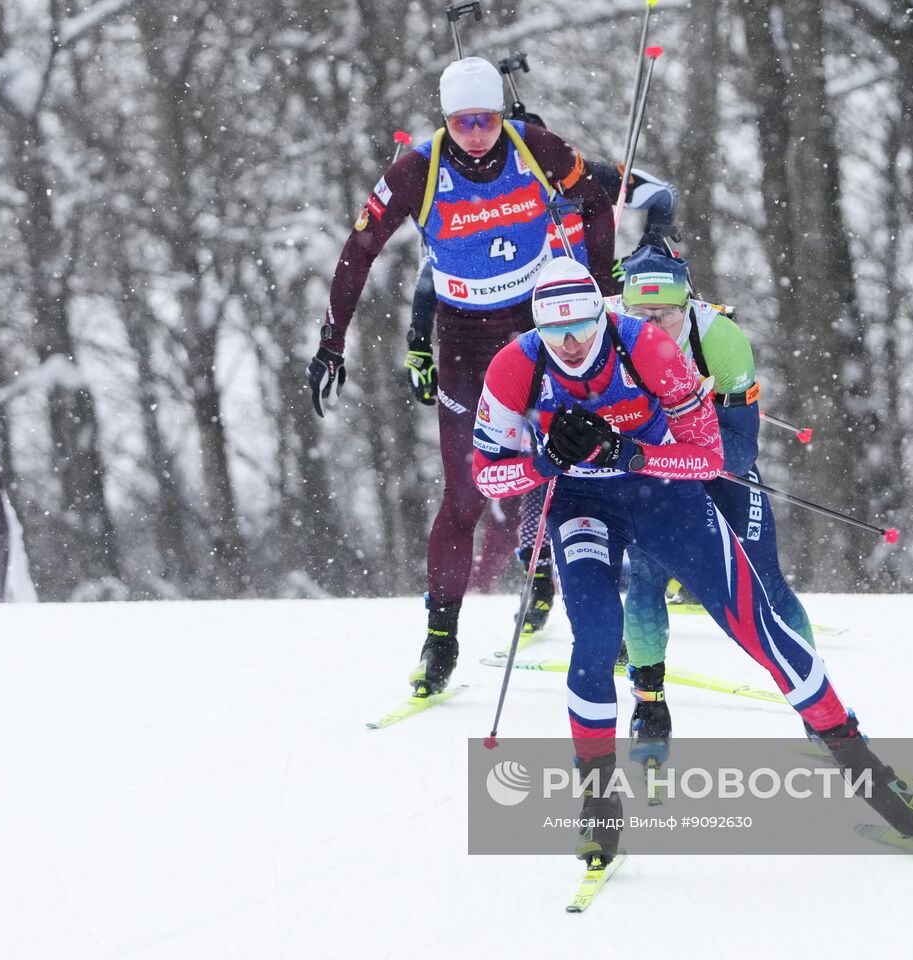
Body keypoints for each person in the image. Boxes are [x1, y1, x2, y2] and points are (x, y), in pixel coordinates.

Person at [471, 257, 913, 868]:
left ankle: (863, 767)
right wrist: (546, 464)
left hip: (665, 496)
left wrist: (631, 452)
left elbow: (710, 458)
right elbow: (488, 478)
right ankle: (597, 802)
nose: (572, 345)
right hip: (582, 504)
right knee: (594, 636)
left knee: (759, 629)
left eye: (583, 327)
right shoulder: (515, 367)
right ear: (536, 329)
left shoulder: (649, 349)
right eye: (555, 334)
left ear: (601, 314)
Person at [305, 56, 618, 697]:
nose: (477, 133)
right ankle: (441, 637)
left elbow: (598, 198)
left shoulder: (534, 146)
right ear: (446, 121)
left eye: (486, 120)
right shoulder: (418, 167)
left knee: (574, 468)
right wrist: (331, 342)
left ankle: (593, 613)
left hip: (537, 335)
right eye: (463, 122)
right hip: (467, 342)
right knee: (466, 496)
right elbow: (358, 250)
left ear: (501, 116)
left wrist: (602, 288)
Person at [405, 161, 681, 638]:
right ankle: (539, 573)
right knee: (543, 456)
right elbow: (434, 268)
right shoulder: (496, 204)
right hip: (527, 346)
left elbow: (662, 195)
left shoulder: (590, 174)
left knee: (621, 448)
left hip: (594, 337)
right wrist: (418, 339)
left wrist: (642, 255)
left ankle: (643, 577)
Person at [610, 245, 814, 760]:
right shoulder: (608, 334)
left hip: (717, 460)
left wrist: (684, 454)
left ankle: (816, 702)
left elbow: (743, 448)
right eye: (642, 315)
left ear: (690, 306)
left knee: (765, 581)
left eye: (667, 315)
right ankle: (649, 705)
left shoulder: (719, 339)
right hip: (652, 471)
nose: (654, 326)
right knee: (647, 576)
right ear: (624, 308)